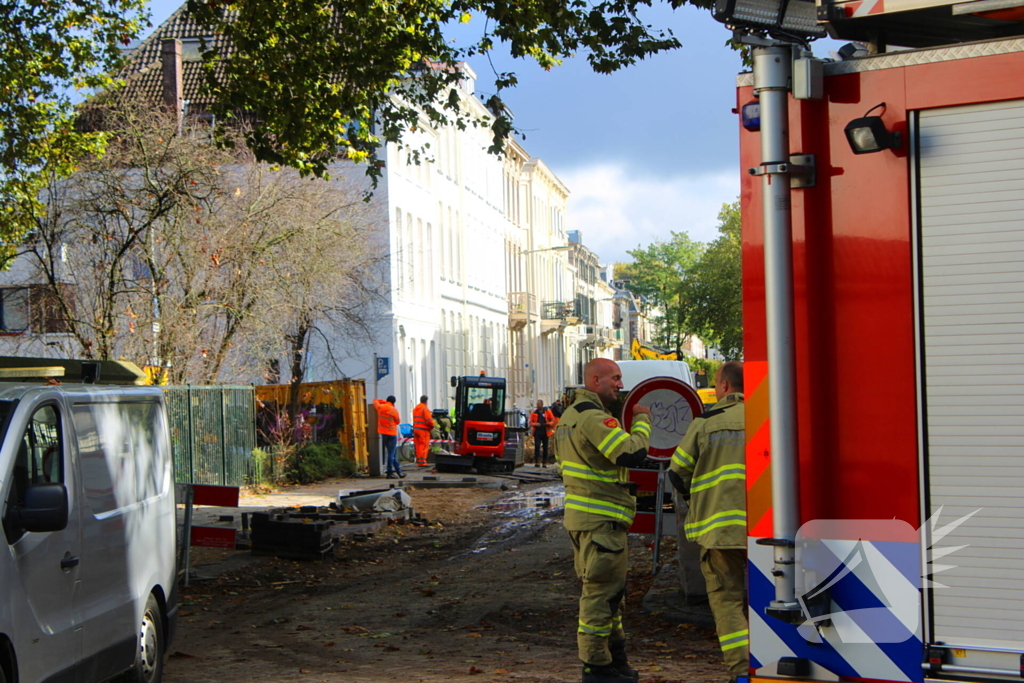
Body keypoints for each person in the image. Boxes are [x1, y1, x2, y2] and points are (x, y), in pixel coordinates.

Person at [554, 358, 652, 683]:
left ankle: (613, 661)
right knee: (600, 597)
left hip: (586, 520)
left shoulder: (569, 417)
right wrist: (642, 420)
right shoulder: (593, 417)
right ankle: (596, 668)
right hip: (601, 521)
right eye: (615, 378)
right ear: (595, 380)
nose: (620, 385)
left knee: (610, 596)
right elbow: (630, 453)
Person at [668, 361, 746, 683]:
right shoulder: (769, 418)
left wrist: (698, 500)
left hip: (719, 530)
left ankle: (742, 673)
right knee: (775, 595)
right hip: (769, 530)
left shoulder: (706, 422)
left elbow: (677, 472)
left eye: (715, 383)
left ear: (725, 386)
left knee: (727, 600)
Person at [373, 395, 405, 479]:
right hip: (392, 434)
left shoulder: (380, 407)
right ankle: (390, 472)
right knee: (391, 453)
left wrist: (384, 402)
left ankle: (399, 471)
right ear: (393, 402)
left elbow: (375, 400)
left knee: (392, 453)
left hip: (383, 433)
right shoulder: (394, 410)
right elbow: (397, 422)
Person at [529, 399, 556, 467]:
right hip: (537, 432)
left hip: (545, 432)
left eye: (539, 404)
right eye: (537, 404)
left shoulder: (547, 411)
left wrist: (548, 424)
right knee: (537, 446)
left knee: (545, 448)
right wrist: (536, 424)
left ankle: (544, 462)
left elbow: (553, 420)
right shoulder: (534, 412)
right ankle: (537, 462)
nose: (537, 405)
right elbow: (530, 422)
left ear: (542, 404)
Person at [412, 395, 435, 468]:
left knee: (418, 445)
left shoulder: (415, 409)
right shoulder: (425, 409)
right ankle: (423, 462)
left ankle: (419, 461)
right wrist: (433, 425)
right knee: (424, 445)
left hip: (416, 429)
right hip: (423, 430)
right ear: (426, 401)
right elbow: (429, 420)